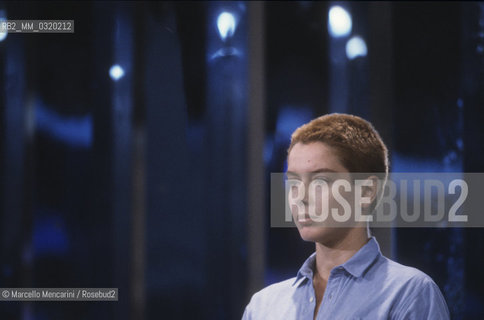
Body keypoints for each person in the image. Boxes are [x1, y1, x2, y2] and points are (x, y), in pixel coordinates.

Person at [242, 113, 450, 320]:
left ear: (367, 191)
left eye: (320, 181)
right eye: (294, 183)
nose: (301, 198)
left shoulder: (409, 294)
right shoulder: (264, 306)